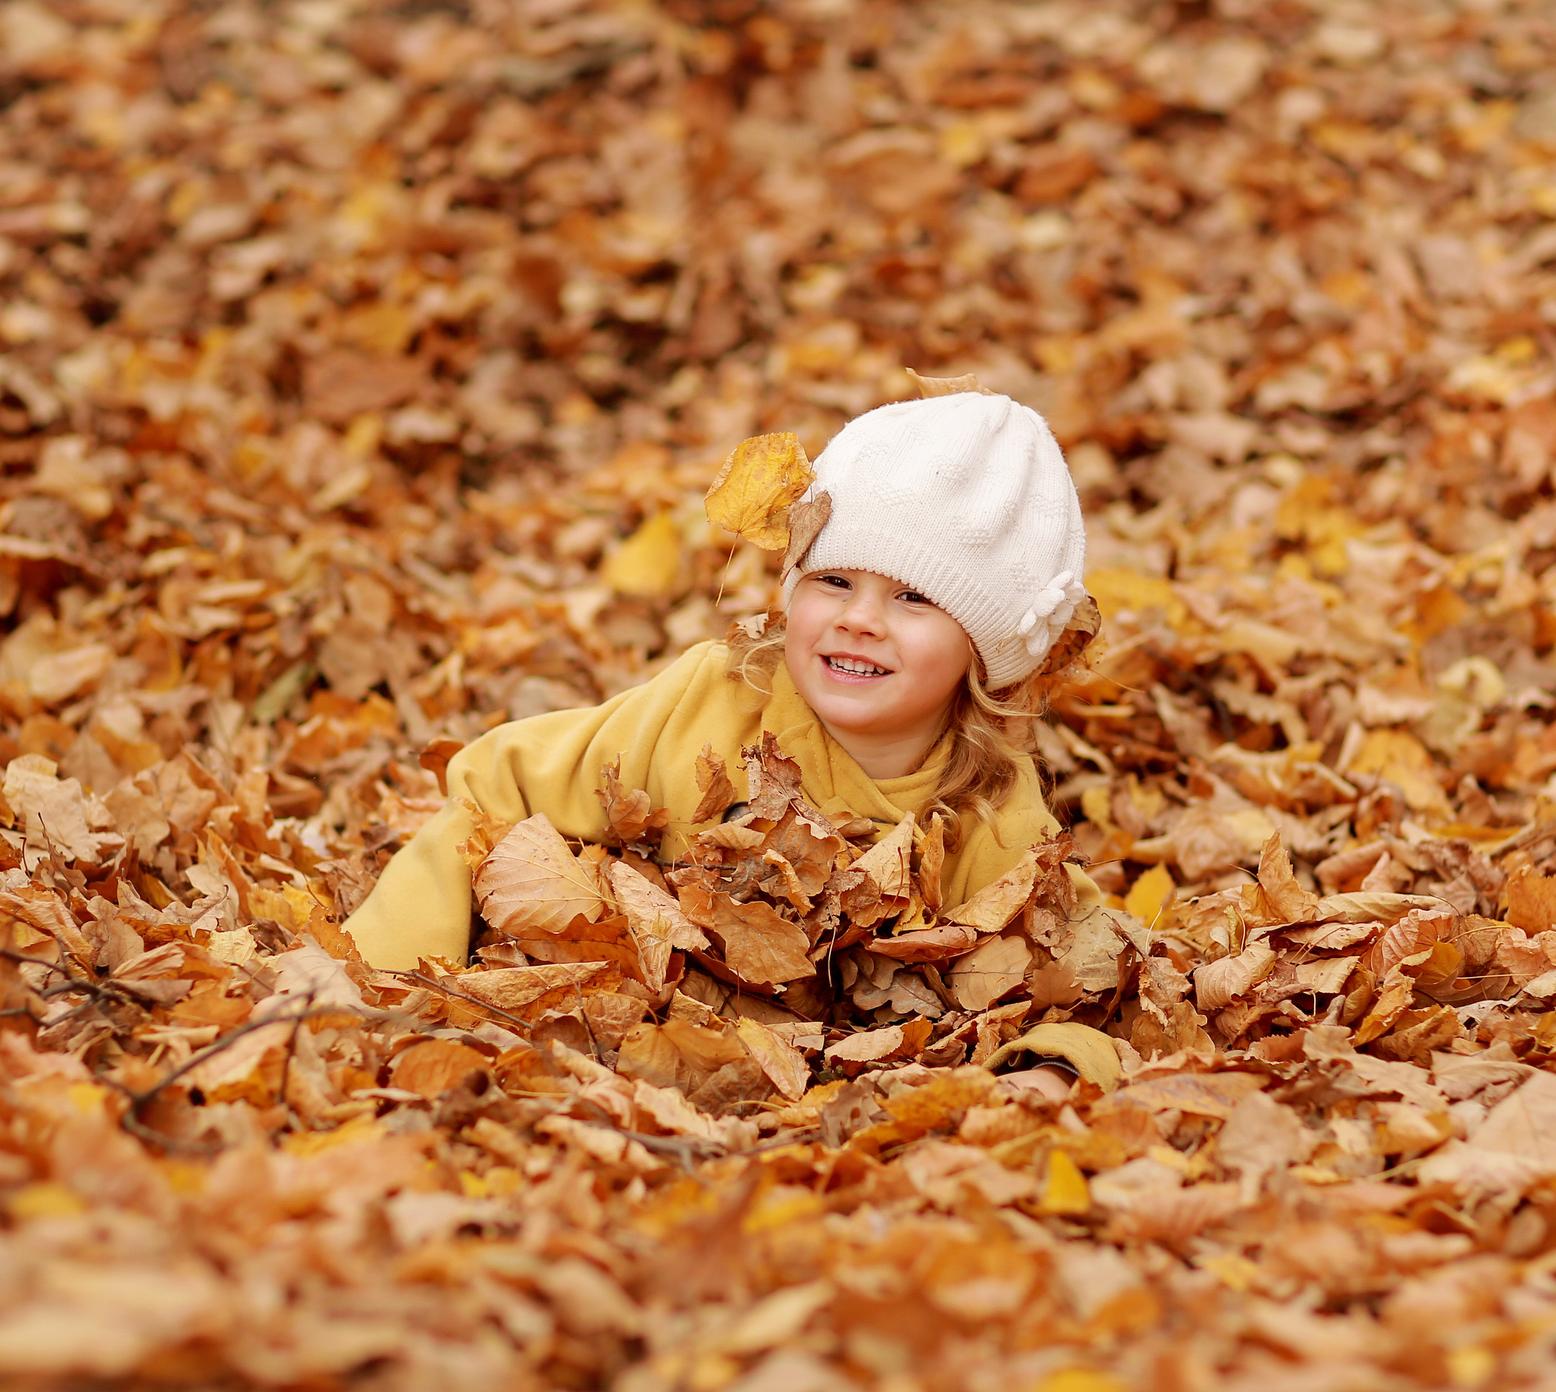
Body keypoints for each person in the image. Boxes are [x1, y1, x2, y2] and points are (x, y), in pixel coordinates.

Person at [341, 389, 1100, 974]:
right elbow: (499, 781)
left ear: (987, 648)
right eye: (832, 579)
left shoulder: (992, 811)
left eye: (914, 597)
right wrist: (384, 972)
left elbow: (1068, 958)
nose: (860, 619)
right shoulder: (714, 701)